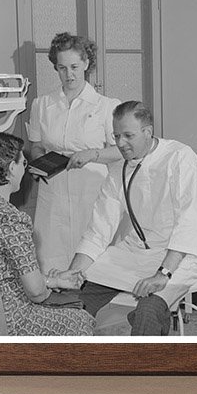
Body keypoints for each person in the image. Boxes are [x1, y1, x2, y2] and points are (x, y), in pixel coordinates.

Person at [59, 100, 197, 336]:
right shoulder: (118, 169)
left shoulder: (180, 158)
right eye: (116, 136)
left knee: (148, 310)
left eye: (128, 135)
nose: (120, 143)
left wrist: (163, 274)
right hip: (135, 253)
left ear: (148, 132)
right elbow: (99, 230)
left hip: (180, 256)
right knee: (72, 298)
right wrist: (73, 273)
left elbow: (190, 223)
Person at [0, 132, 93, 337]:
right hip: (7, 325)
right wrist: (46, 289)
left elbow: (1, 276)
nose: (25, 171)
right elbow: (36, 293)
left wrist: (54, 280)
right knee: (81, 321)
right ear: (10, 169)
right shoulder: (11, 218)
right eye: (24, 164)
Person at [26, 32, 121, 273]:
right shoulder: (42, 105)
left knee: (92, 260)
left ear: (87, 63)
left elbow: (122, 151)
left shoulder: (107, 106)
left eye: (75, 67)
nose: (69, 75)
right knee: (51, 260)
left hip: (92, 191)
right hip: (53, 192)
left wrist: (93, 154)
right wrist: (39, 162)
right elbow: (35, 144)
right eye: (62, 68)